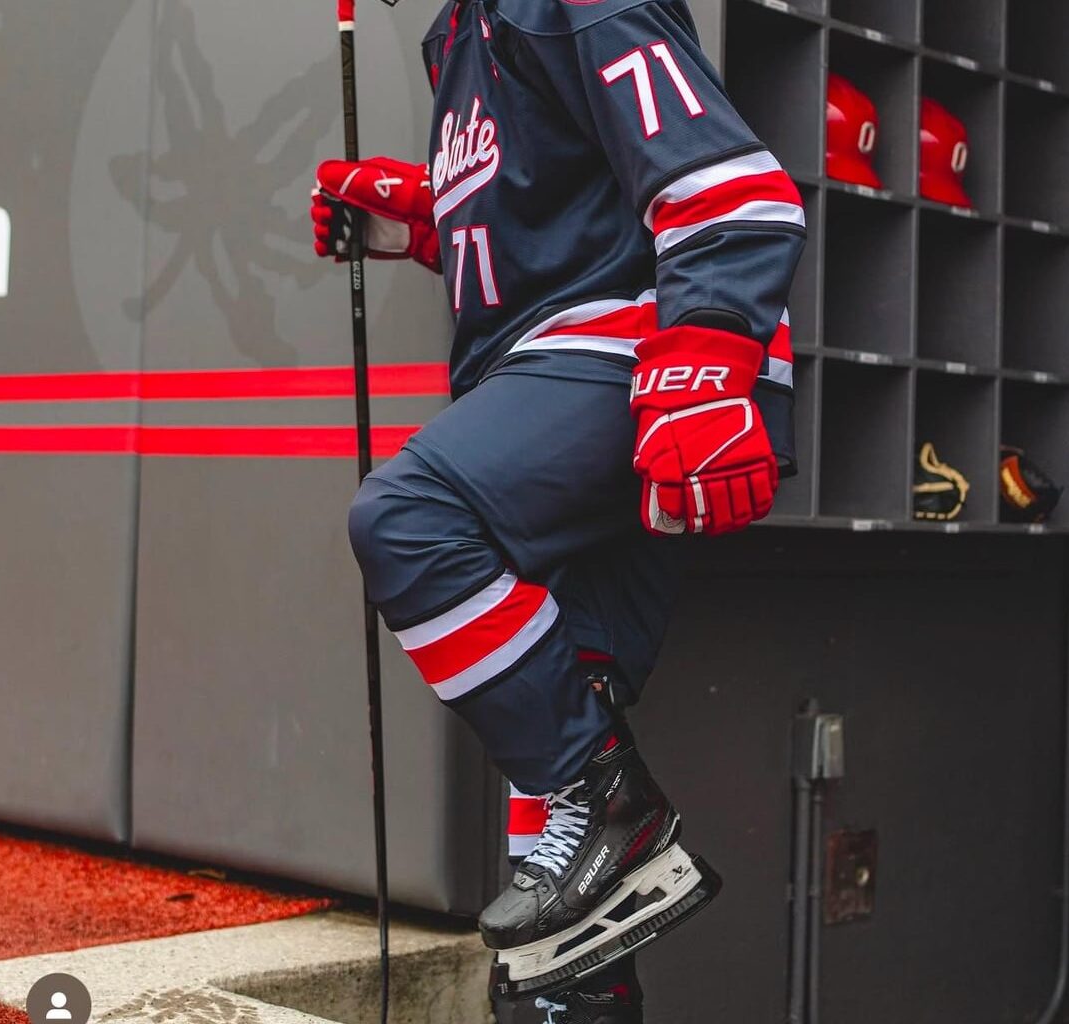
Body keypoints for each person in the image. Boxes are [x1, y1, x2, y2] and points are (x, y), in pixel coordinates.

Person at [312, 1, 805, 1019]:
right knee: (566, 888)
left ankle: (614, 802)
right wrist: (425, 220)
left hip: (641, 360)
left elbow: (735, 192)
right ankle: (600, 847)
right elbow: (558, 224)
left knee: (412, 519)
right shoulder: (457, 35)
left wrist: (708, 353)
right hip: (561, 368)